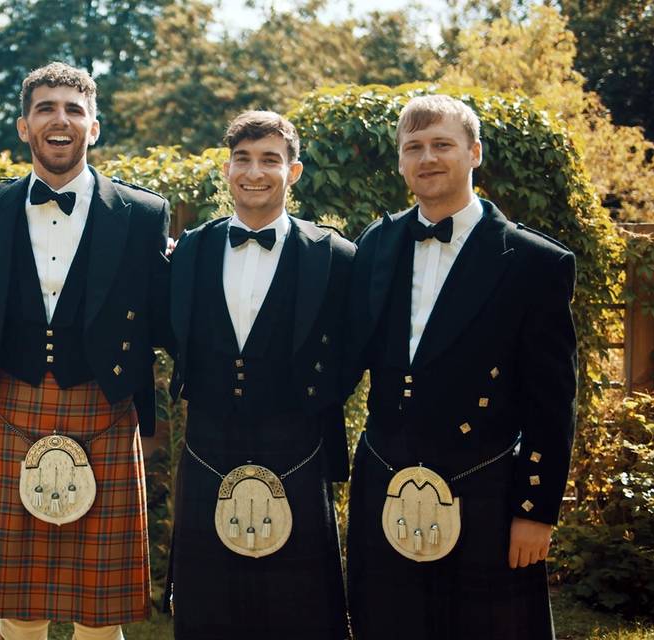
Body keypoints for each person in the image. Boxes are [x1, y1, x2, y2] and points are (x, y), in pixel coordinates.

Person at [344, 94, 577, 639]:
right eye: (414, 148)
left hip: (485, 480)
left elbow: (551, 400)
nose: (427, 158)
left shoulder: (534, 262)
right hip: (386, 472)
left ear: (474, 152)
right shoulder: (376, 244)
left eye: (442, 145)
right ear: (401, 162)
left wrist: (535, 510)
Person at [0, 62, 171, 640]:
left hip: (103, 407)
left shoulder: (143, 214)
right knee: (19, 601)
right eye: (46, 109)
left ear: (94, 127)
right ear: (23, 126)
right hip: (17, 402)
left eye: (74, 110)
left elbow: (161, 314)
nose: (61, 120)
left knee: (99, 606)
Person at [165, 110, 354, 639]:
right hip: (208, 441)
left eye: (270, 160)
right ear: (227, 169)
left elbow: (354, 347)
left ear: (293, 172)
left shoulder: (334, 255)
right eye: (243, 160)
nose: (255, 172)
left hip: (298, 442)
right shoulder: (190, 251)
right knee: (208, 609)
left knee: (300, 610)